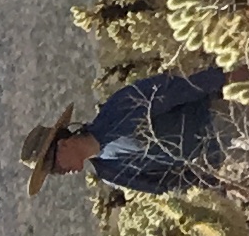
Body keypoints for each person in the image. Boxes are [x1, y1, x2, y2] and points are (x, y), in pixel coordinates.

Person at [27, 67, 230, 196]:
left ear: (63, 143)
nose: (60, 172)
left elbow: (174, 91)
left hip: (220, 122)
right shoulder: (110, 174)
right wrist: (222, 184)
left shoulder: (115, 112)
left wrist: (232, 76)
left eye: (54, 165)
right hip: (221, 164)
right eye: (53, 173)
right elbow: (165, 185)